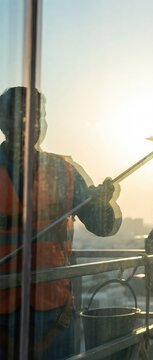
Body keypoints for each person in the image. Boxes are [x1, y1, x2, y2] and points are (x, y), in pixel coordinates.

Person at [0, 86, 122, 359]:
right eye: (19, 116)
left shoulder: (64, 171)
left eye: (36, 117)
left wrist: (103, 204)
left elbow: (102, 227)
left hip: (54, 312)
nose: (30, 124)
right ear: (1, 120)